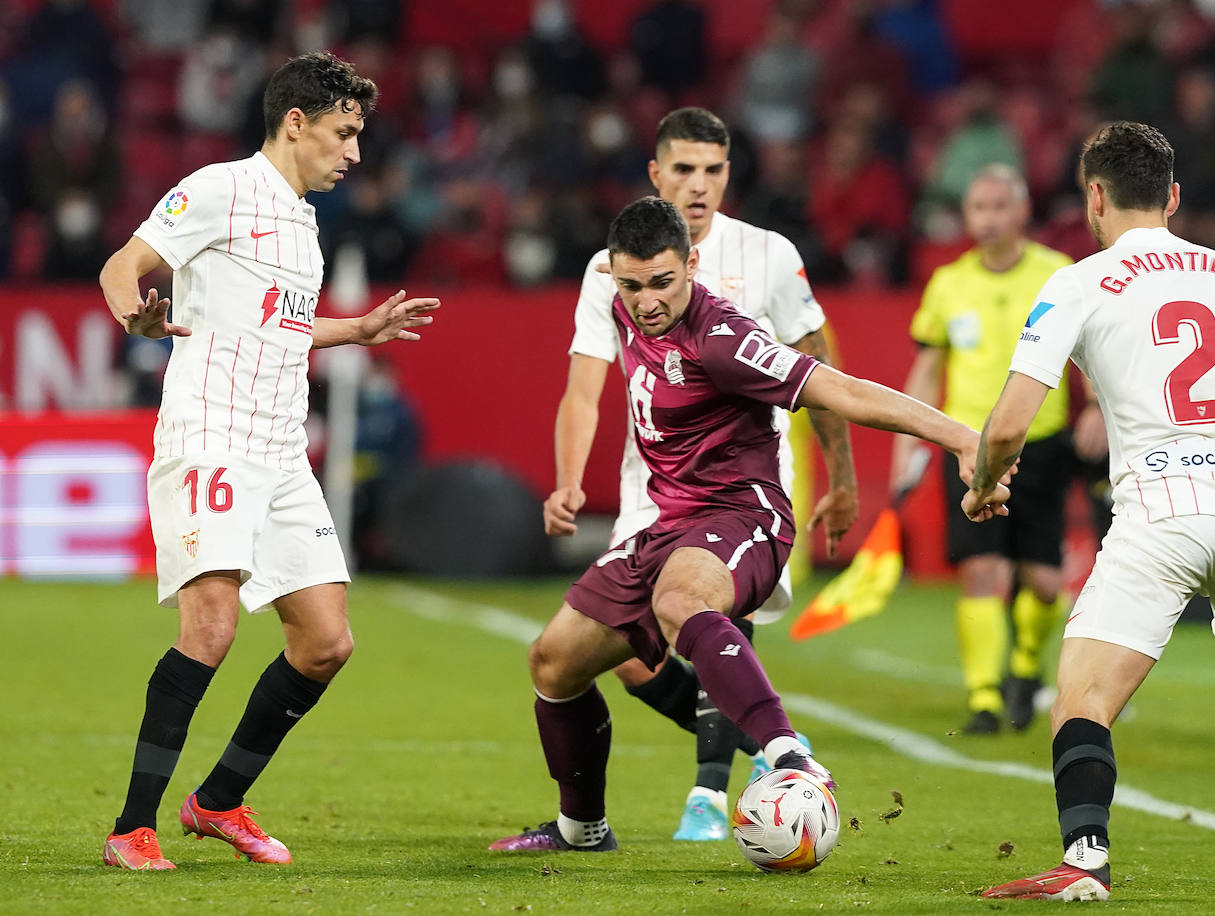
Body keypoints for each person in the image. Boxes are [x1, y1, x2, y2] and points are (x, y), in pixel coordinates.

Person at [491, 196, 1005, 854]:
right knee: (554, 661)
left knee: (681, 601)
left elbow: (841, 389)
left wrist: (963, 439)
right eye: (631, 285)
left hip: (742, 514)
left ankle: (789, 756)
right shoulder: (623, 302)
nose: (647, 301)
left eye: (661, 282)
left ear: (692, 265)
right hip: (668, 521)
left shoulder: (723, 339)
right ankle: (582, 829)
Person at [964, 121, 1215, 901]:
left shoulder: (1078, 283)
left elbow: (1008, 426)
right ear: (1172, 196)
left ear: (1095, 197)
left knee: (1083, 698)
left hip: (1160, 506)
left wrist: (983, 483)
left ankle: (1085, 858)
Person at [97, 51, 439, 871]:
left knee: (325, 641)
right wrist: (135, 318)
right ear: (295, 122)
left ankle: (218, 802)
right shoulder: (220, 188)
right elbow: (121, 268)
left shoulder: (304, 221)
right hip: (211, 435)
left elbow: (279, 324)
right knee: (211, 627)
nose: (354, 152)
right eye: (343, 132)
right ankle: (131, 829)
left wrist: (355, 330)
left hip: (282, 452)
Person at [551, 107, 858, 842]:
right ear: (656, 173)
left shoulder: (769, 256)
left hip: (738, 484)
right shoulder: (613, 268)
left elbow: (820, 368)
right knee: (624, 660)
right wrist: (569, 478)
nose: (699, 185)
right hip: (651, 483)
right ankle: (772, 745)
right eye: (684, 169)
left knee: (704, 612)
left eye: (713, 170)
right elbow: (584, 387)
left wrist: (842, 476)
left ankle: (710, 794)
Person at [891, 164, 1089, 734]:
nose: (989, 218)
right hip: (969, 448)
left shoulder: (1058, 274)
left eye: (1001, 206)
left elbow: (1089, 352)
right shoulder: (948, 284)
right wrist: (910, 438)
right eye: (979, 207)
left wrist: (1098, 408)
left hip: (1042, 443)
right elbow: (928, 369)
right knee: (980, 570)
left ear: (1023, 211)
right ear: (967, 215)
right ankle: (984, 698)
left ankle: (1024, 666)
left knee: (1044, 582)